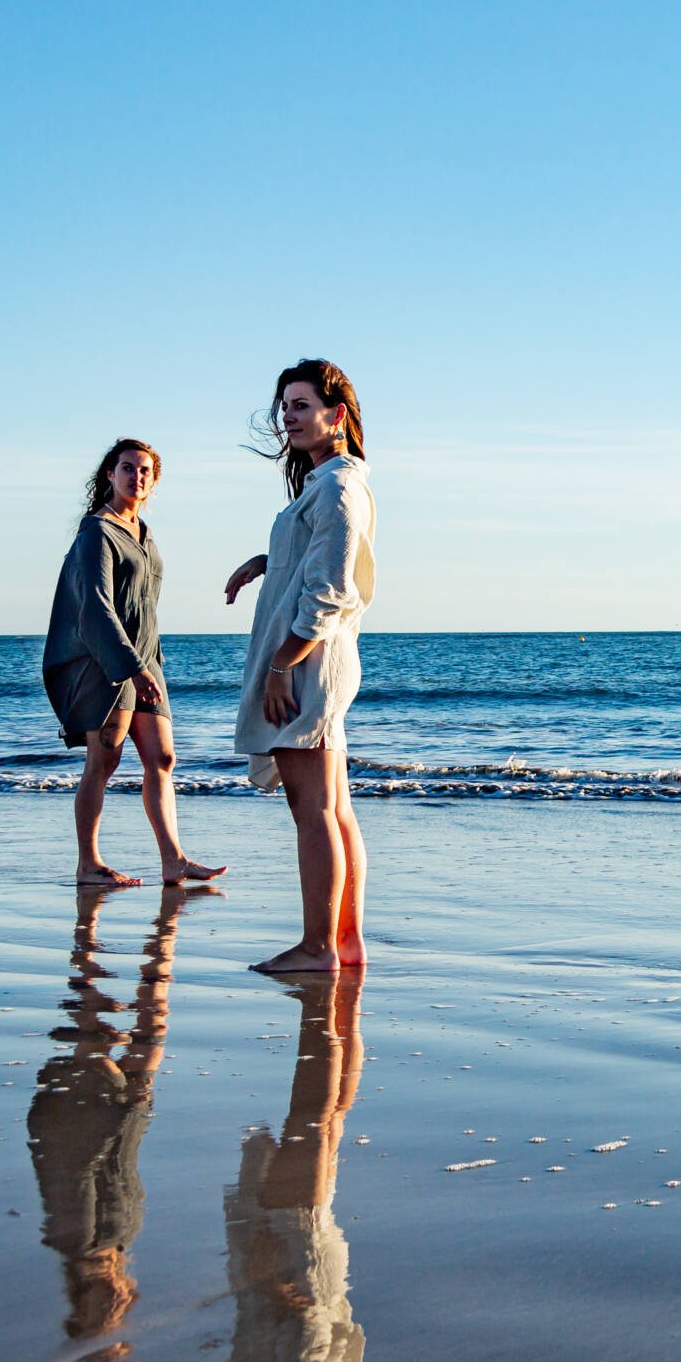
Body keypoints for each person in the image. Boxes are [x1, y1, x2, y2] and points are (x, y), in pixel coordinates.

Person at [227, 360, 376, 973]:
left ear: (336, 415)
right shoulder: (328, 484)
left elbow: (329, 591)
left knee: (313, 811)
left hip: (309, 663)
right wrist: (268, 560)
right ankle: (344, 942)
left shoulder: (338, 487)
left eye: (301, 405)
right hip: (316, 661)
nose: (287, 417)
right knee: (333, 809)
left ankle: (318, 948)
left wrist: (280, 667)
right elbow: (319, 558)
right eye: (284, 406)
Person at [25, 884, 207, 1362]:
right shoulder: (123, 1242)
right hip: (124, 1115)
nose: (114, 1307)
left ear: (77, 1305)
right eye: (118, 1317)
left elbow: (74, 1162)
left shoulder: (73, 1239)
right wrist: (137, 1106)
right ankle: (165, 930)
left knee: (99, 1018)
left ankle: (87, 927)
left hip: (83, 1114)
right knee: (153, 1019)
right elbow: (126, 1166)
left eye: (99, 1317)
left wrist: (120, 1107)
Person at [43, 438, 227, 888]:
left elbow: (145, 605)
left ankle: (174, 860)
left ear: (153, 482)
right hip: (107, 662)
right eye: (128, 468)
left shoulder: (143, 533)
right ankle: (89, 864)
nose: (136, 477)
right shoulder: (97, 531)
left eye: (145, 471)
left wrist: (150, 662)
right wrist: (130, 667)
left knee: (162, 757)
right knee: (103, 760)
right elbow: (96, 606)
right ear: (110, 474)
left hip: (146, 658)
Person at [201, 970, 368, 1362]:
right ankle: (327, 998)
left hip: (309, 1275)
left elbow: (347, 1345)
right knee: (312, 1123)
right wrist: (273, 1279)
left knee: (326, 1123)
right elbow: (308, 1330)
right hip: (291, 1264)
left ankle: (341, 996)